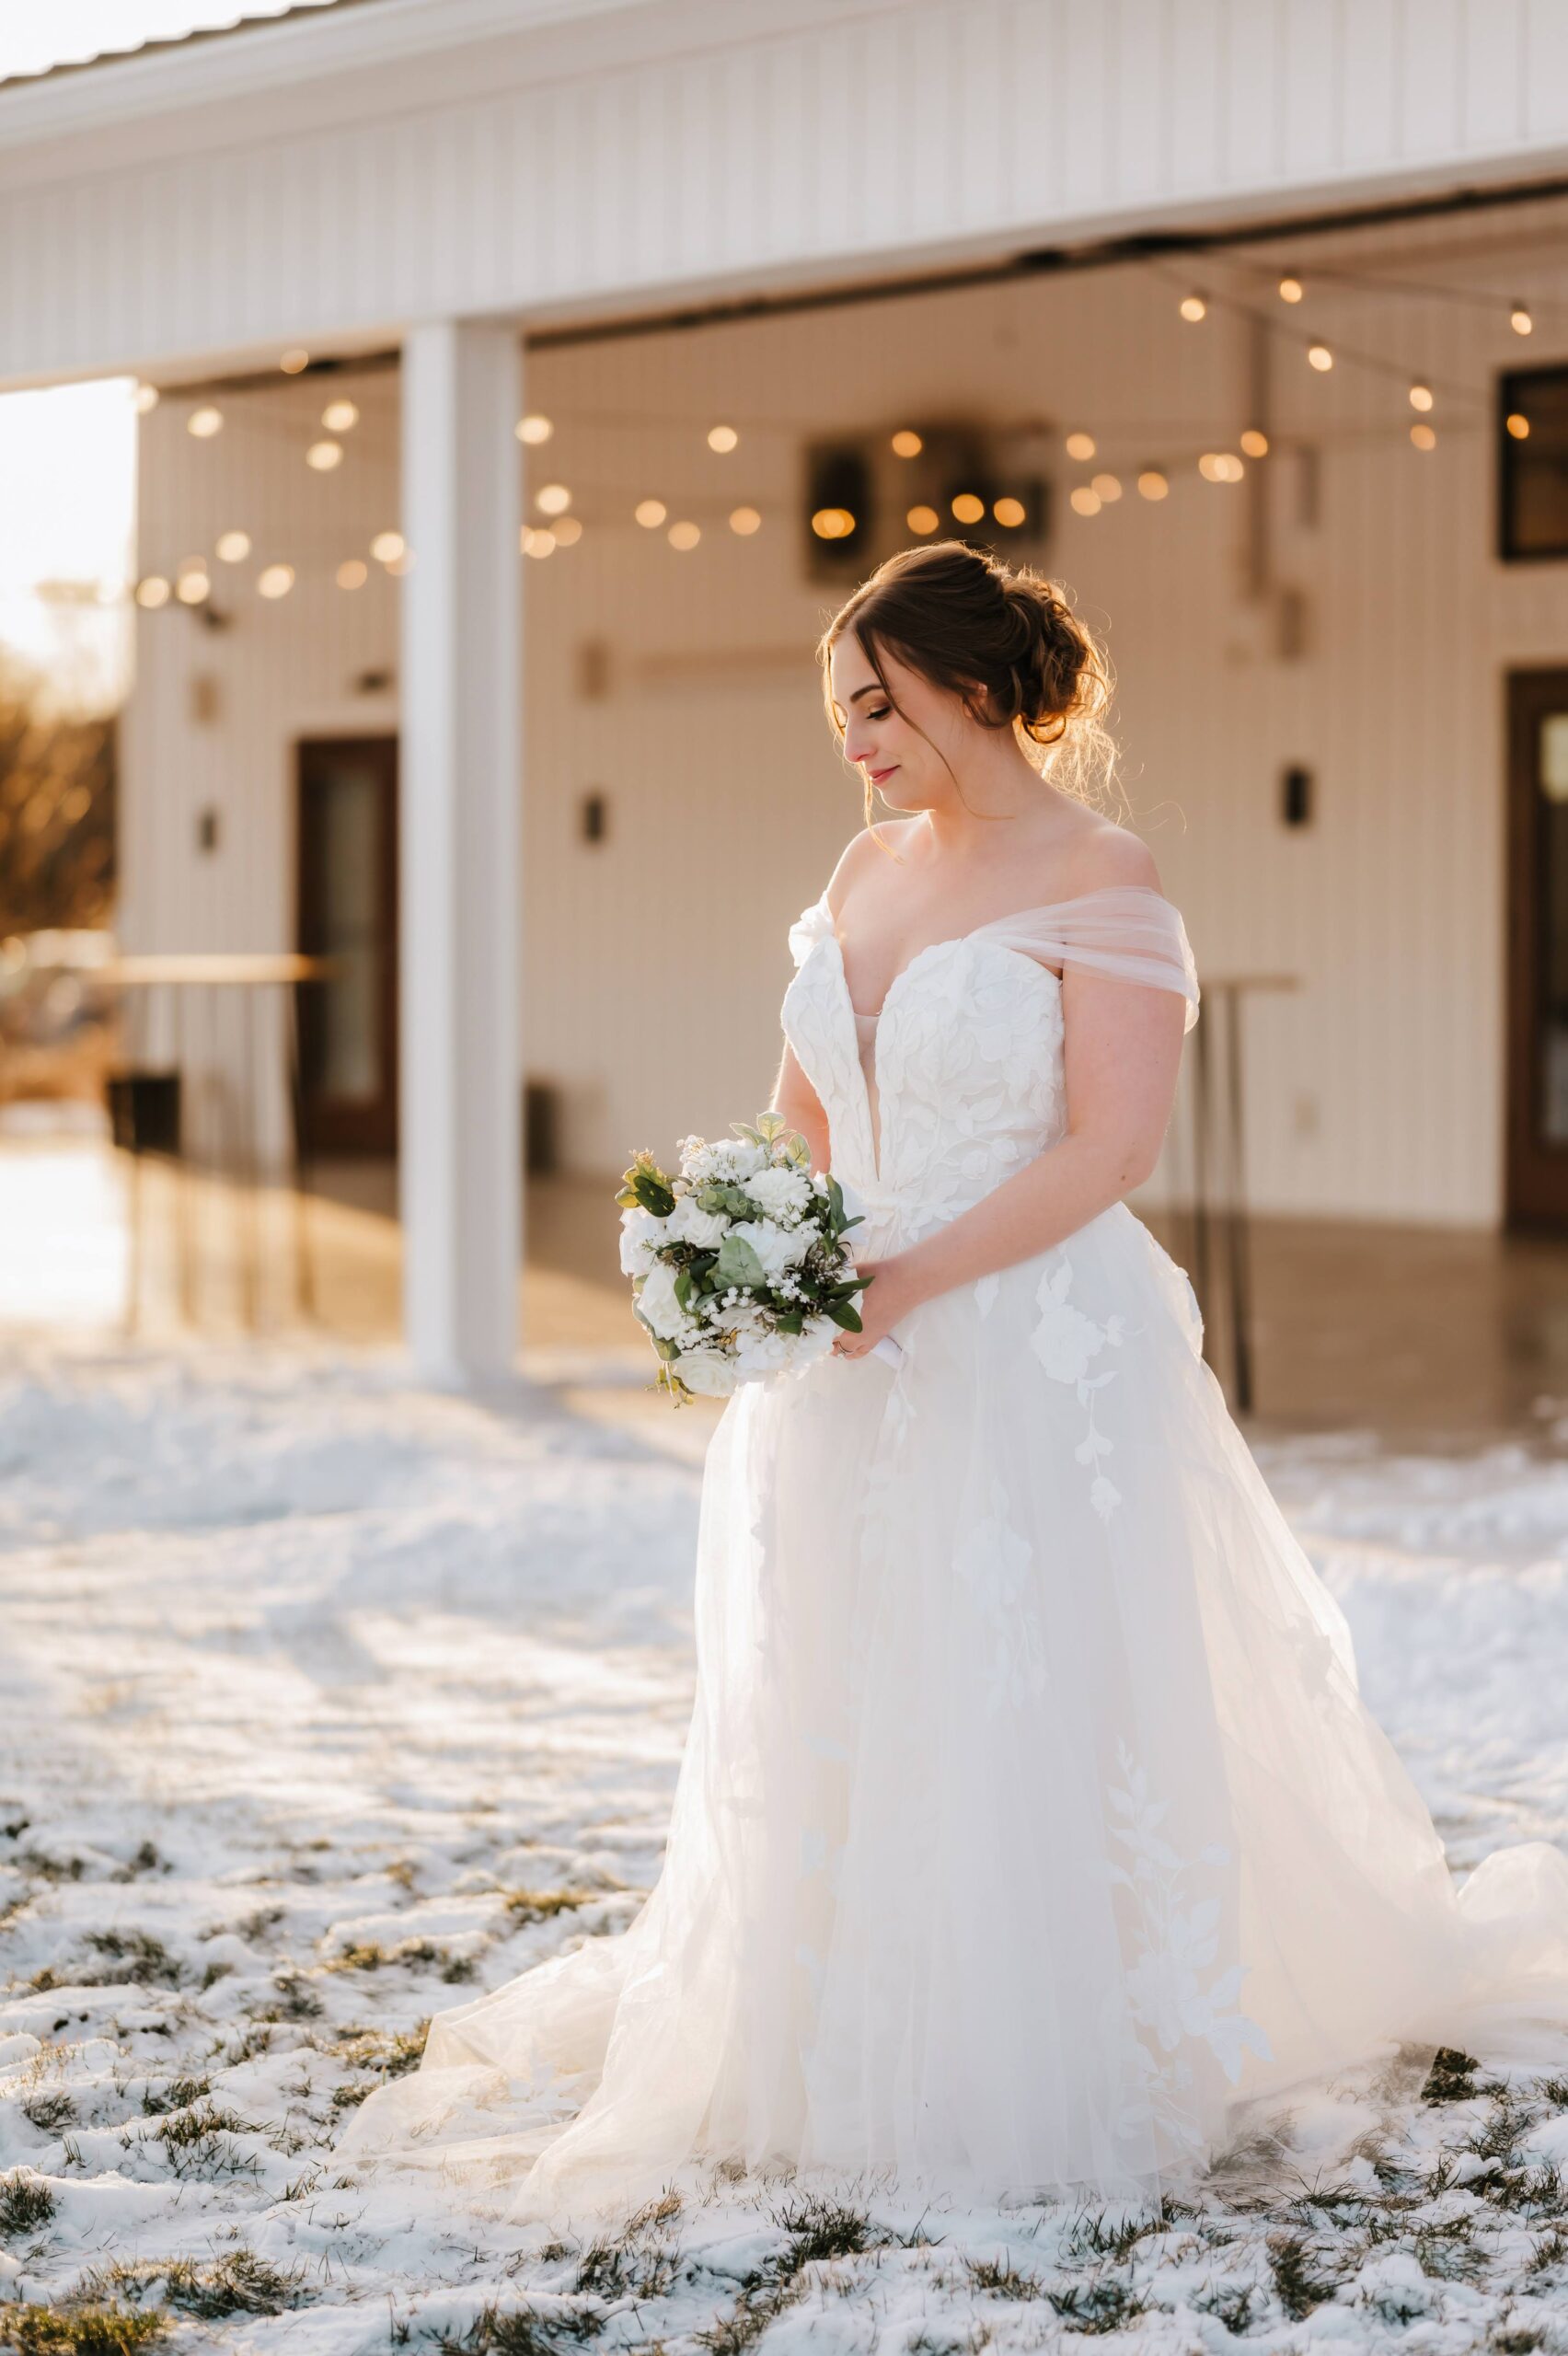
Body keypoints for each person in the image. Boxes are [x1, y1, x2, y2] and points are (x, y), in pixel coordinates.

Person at [341, 540, 1568, 2220]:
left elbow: (1111, 1145)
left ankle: (1050, 2038)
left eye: (874, 704)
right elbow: (805, 1110)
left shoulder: (1104, 874)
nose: (853, 742)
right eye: (841, 715)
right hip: (847, 1352)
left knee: (1029, 1684)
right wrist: (756, 1246)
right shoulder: (860, 877)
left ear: (971, 689)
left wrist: (906, 1277)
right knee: (852, 1676)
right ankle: (836, 2023)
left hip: (1031, 1341)